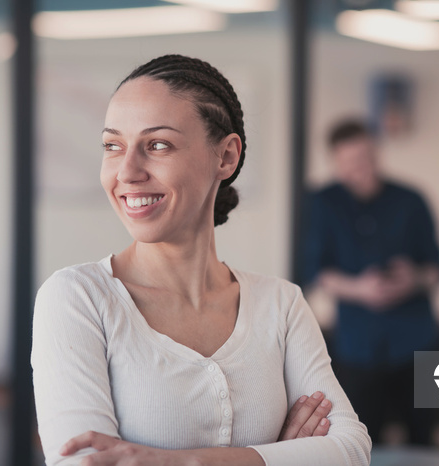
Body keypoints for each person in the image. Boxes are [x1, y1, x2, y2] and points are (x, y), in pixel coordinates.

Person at [31, 55, 371, 466]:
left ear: (226, 156)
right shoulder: (76, 299)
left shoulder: (280, 304)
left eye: (157, 144)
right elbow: (84, 462)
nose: (127, 171)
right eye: (112, 146)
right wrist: (277, 456)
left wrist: (173, 461)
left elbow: (350, 449)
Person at [302, 119, 439, 445]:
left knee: (425, 439)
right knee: (361, 441)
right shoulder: (320, 204)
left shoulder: (411, 200)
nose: (361, 170)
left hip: (417, 342)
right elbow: (313, 271)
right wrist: (359, 289)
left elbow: (437, 268)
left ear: (377, 153)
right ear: (335, 162)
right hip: (357, 347)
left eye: (366, 158)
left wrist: (414, 279)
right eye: (350, 163)